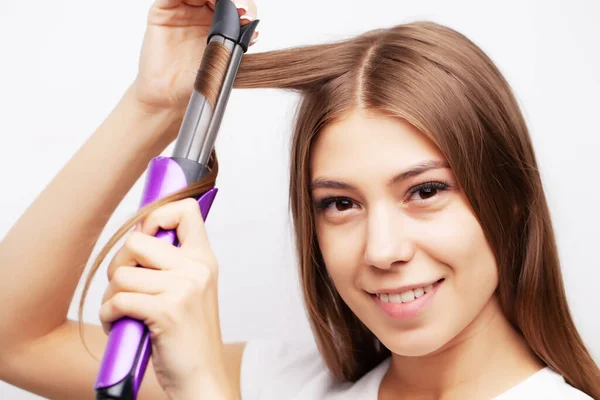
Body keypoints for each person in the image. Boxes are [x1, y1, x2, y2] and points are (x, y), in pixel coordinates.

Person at [0, 0, 598, 399]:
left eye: (426, 190)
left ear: (512, 200)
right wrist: (154, 105)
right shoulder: (288, 383)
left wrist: (208, 387)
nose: (383, 249)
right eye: (340, 204)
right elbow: (15, 340)